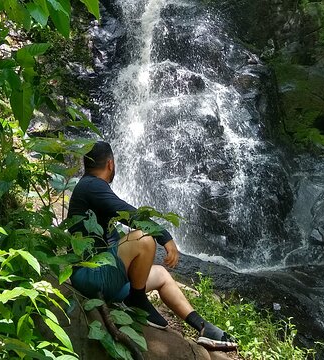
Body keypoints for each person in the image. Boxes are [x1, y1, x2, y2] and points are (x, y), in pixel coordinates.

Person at [66, 141, 238, 351]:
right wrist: (165, 237)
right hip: (89, 275)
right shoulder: (92, 185)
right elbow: (128, 213)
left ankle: (203, 328)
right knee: (144, 238)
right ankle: (137, 300)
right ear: (110, 164)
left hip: (103, 276)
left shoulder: (90, 187)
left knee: (162, 276)